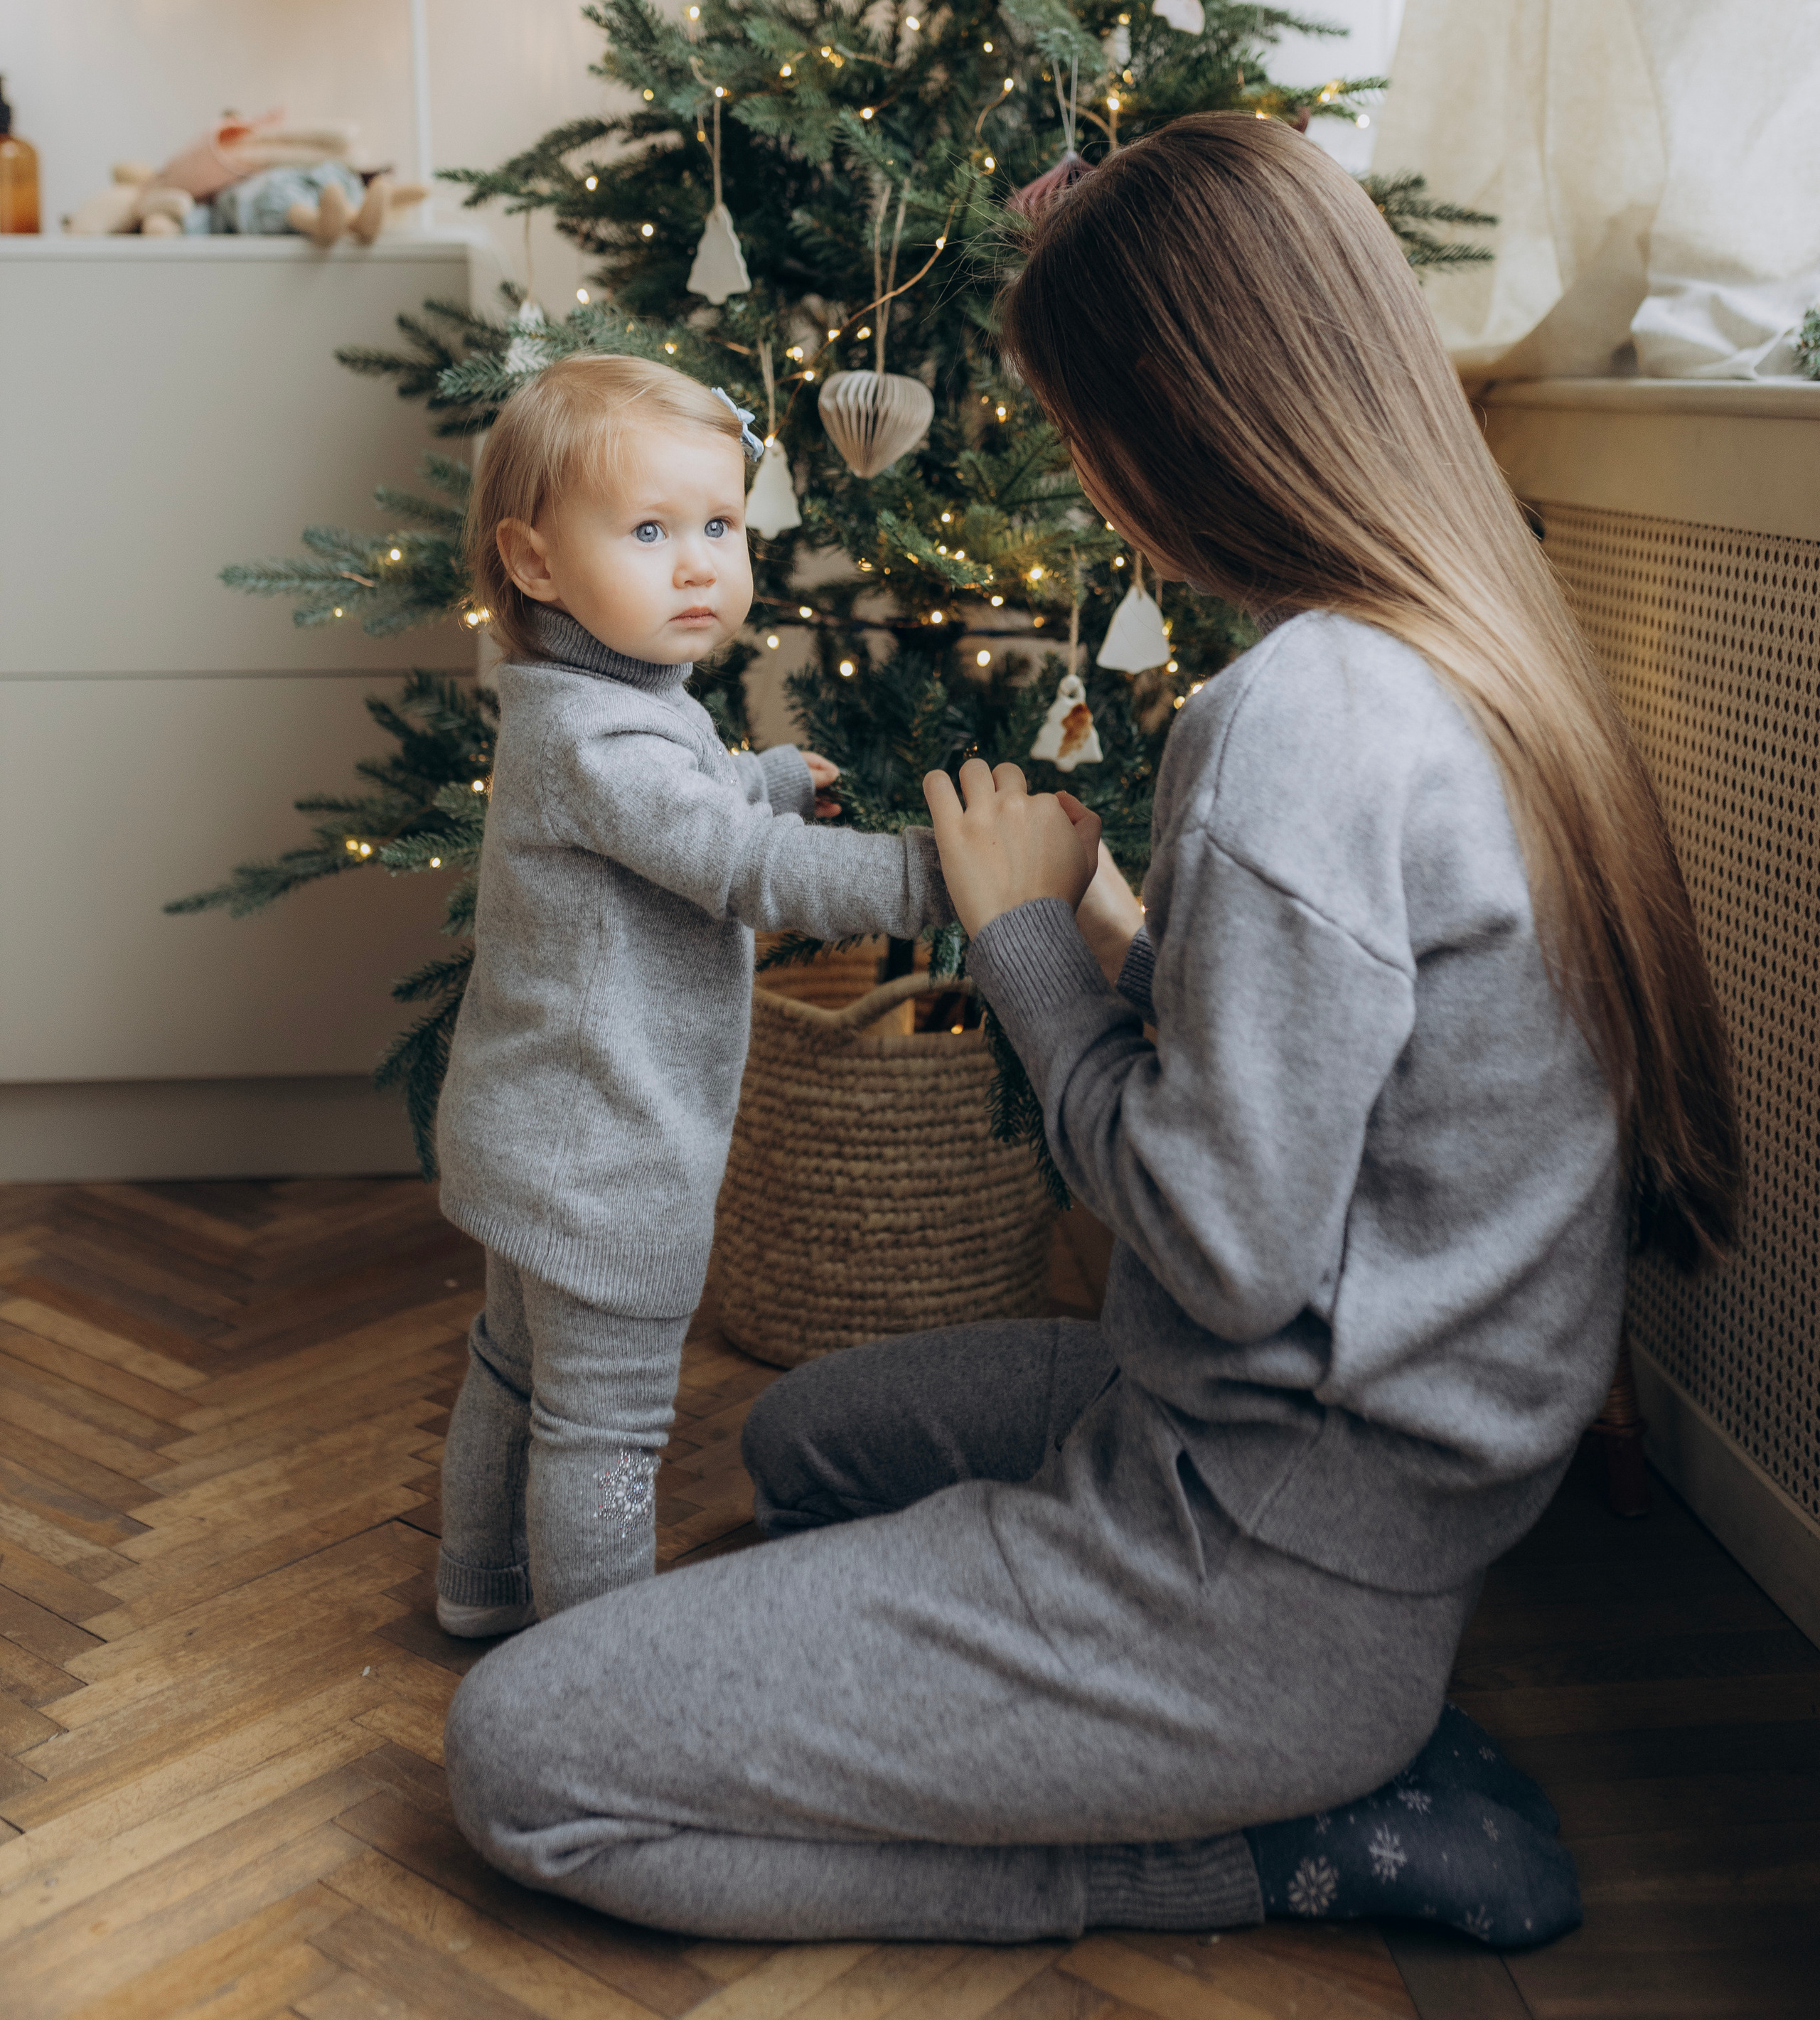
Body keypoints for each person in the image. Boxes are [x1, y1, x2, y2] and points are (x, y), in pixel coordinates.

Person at [442, 117, 1739, 1950]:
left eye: (1075, 430)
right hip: (1309, 1479)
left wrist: (1027, 947)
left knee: (519, 1760)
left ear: (1174, 419)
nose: (1077, 476)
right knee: (806, 1441)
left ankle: (1270, 1842)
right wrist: (1120, 930)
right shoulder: (1448, 647)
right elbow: (1309, 1081)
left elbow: (1222, 1245)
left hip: (1261, 1565)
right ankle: (1196, 1733)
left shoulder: (1297, 726)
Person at [433, 352, 953, 1634]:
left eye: (721, 525)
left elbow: (679, 800)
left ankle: (480, 1590)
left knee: (514, 1370)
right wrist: (938, 876)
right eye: (651, 531)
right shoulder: (603, 735)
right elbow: (739, 866)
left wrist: (761, 776)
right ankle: (598, 1666)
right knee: (603, 1428)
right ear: (534, 562)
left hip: (535, 1123)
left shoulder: (590, 700)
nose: (698, 565)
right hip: (604, 1153)